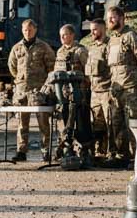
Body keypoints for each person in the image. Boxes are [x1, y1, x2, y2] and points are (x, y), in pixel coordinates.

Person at [7, 19, 56, 162]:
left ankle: (46, 150)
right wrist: (20, 79)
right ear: (22, 31)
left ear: (35, 30)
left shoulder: (44, 47)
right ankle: (21, 151)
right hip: (22, 91)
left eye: (30, 30)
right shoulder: (17, 48)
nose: (27, 32)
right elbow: (12, 67)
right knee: (22, 123)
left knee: (43, 123)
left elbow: (51, 67)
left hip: (39, 91)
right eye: (25, 30)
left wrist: (45, 85)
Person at [106, 6, 137, 158]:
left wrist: (136, 78)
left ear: (122, 18)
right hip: (117, 92)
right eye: (108, 18)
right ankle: (122, 157)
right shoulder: (112, 41)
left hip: (132, 89)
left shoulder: (131, 36)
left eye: (113, 17)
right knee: (117, 127)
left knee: (134, 126)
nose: (110, 20)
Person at [85, 18, 121, 161]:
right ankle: (100, 151)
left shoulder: (110, 46)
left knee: (111, 123)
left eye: (95, 29)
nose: (92, 32)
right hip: (95, 92)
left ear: (103, 29)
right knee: (97, 124)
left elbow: (114, 69)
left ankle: (113, 153)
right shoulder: (92, 47)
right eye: (91, 30)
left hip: (106, 91)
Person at [53, 24, 89, 160]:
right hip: (63, 94)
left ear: (72, 35)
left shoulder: (80, 51)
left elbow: (88, 71)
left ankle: (83, 151)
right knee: (63, 122)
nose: (62, 38)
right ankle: (65, 148)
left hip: (78, 93)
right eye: (61, 35)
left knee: (80, 123)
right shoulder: (60, 52)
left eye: (65, 34)